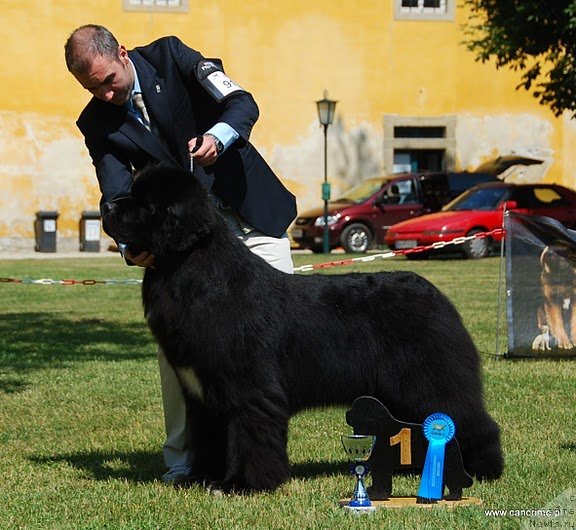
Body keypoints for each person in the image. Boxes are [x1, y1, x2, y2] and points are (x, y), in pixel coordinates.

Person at [64, 25, 297, 485]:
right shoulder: (96, 123)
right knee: (181, 350)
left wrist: (219, 138)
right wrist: (131, 246)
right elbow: (115, 196)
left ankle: (259, 458)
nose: (105, 94)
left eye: (108, 80)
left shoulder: (172, 57)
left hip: (251, 218)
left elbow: (242, 103)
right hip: (184, 244)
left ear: (123, 55)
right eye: (92, 88)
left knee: (275, 339)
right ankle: (183, 461)